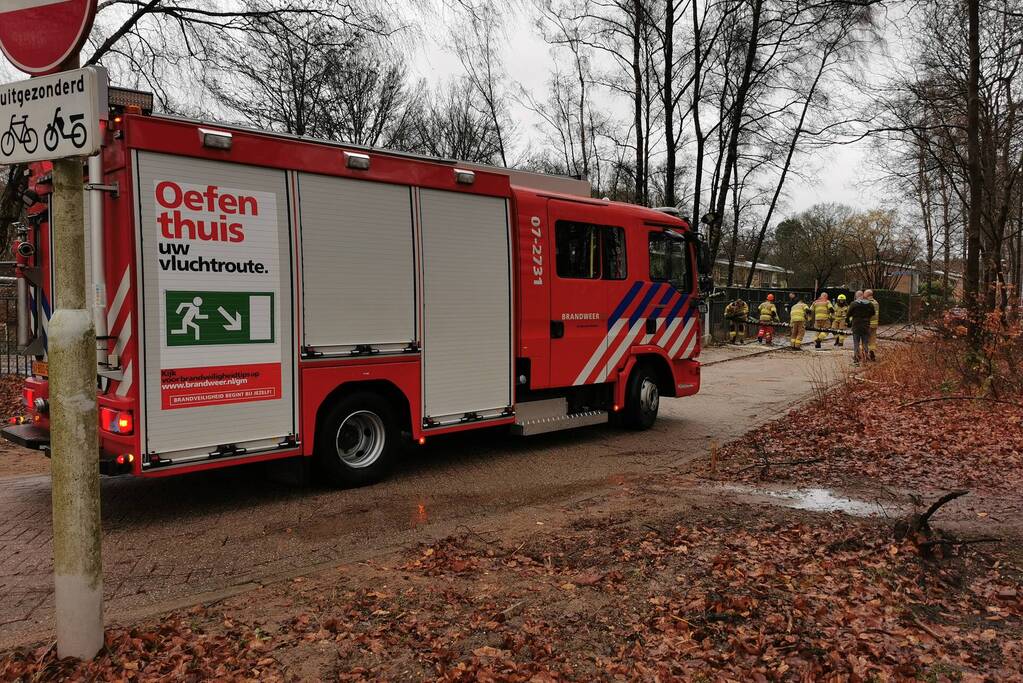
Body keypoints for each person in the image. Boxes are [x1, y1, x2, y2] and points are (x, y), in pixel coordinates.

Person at [846, 290, 874, 366]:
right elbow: (873, 313)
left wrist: (848, 321)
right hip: (866, 325)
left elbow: (848, 314)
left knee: (856, 343)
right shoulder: (870, 304)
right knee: (865, 343)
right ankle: (865, 359)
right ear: (863, 295)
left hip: (856, 325)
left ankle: (856, 359)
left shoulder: (853, 304)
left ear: (856, 296)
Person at [864, 288, 880, 361]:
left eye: (864, 293)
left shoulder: (866, 303)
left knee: (865, 340)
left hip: (868, 324)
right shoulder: (876, 303)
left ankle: (864, 355)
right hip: (875, 324)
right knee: (872, 340)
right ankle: (872, 352)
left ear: (867, 295)